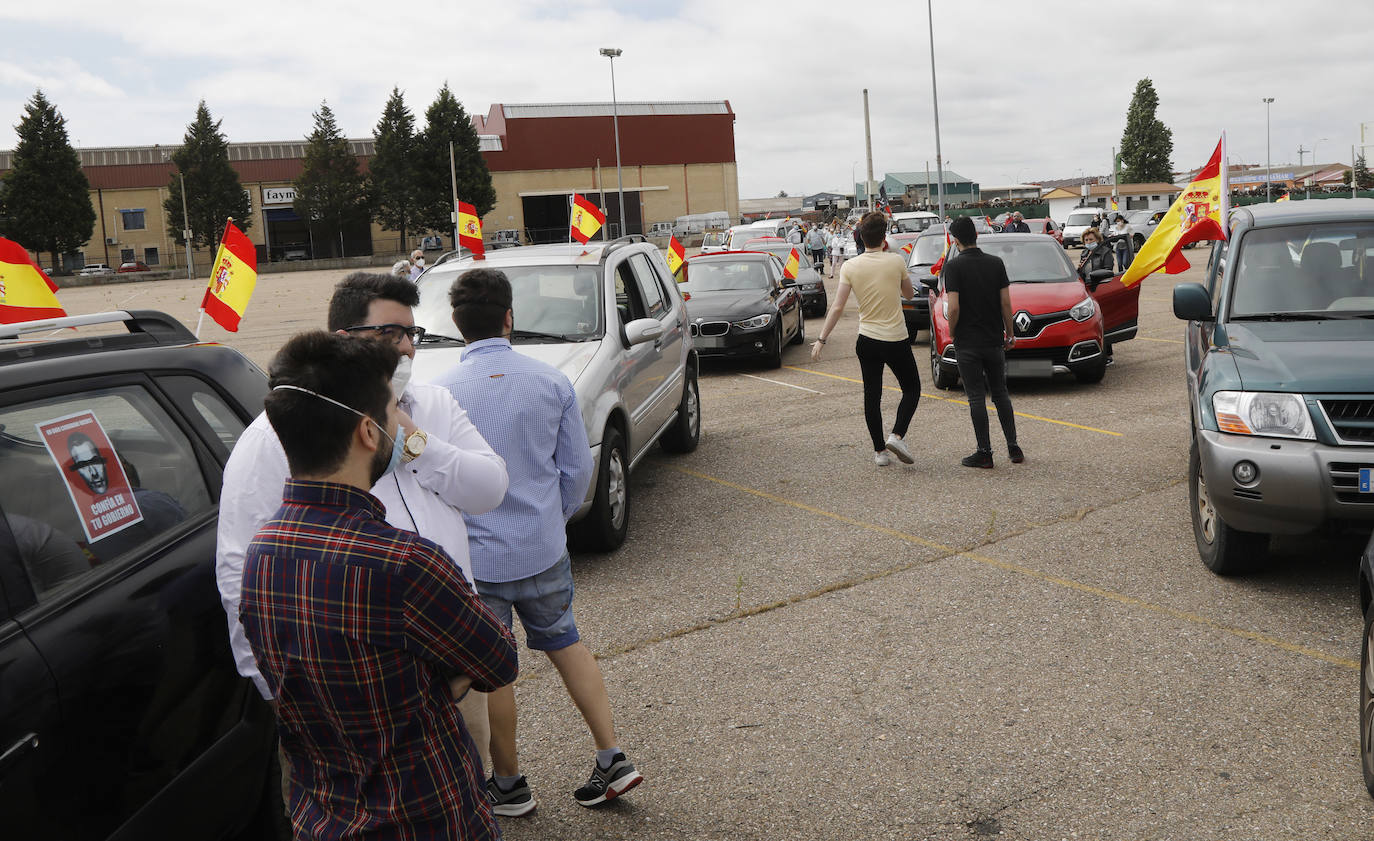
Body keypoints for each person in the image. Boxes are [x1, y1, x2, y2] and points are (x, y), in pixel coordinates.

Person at [216, 272, 509, 774]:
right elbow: (240, 572)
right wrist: (278, 693)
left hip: (450, 674)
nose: (408, 350)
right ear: (343, 341)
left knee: (458, 792)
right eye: (390, 335)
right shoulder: (276, 436)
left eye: (412, 334)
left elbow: (489, 488)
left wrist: (412, 440)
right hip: (339, 698)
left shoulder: (432, 404)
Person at [433, 268, 643, 815]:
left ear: (457, 325)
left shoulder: (442, 393)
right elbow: (576, 471)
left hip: (481, 558)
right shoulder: (551, 382)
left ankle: (509, 783)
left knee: (491, 666)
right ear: (509, 317)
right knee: (566, 641)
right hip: (544, 545)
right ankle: (612, 755)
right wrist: (552, 516)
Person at [810, 211, 920, 467]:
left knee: (872, 396)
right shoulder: (895, 261)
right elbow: (910, 294)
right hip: (895, 338)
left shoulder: (850, 266)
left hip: (867, 339)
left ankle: (880, 452)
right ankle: (897, 434)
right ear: (884, 238)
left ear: (860, 237)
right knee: (912, 388)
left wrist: (821, 339)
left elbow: (837, 307)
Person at [943, 215, 1023, 469]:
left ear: (955, 241)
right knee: (1000, 392)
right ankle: (1013, 446)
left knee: (976, 396)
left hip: (968, 341)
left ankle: (984, 451)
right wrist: (1009, 333)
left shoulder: (954, 267)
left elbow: (953, 307)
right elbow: (1006, 303)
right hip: (993, 340)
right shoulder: (995, 263)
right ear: (976, 236)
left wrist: (953, 331)